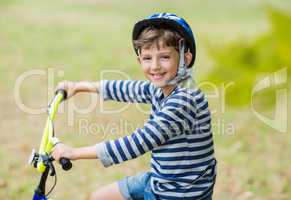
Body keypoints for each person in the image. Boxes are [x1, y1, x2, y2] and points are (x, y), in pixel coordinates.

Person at [52, 12, 217, 200]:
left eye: (164, 57)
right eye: (147, 58)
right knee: (99, 197)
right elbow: (129, 88)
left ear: (185, 59)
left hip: (179, 193)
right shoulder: (164, 87)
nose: (154, 66)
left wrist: (73, 152)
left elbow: (137, 143)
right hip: (160, 181)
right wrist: (80, 87)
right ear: (139, 59)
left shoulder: (184, 101)